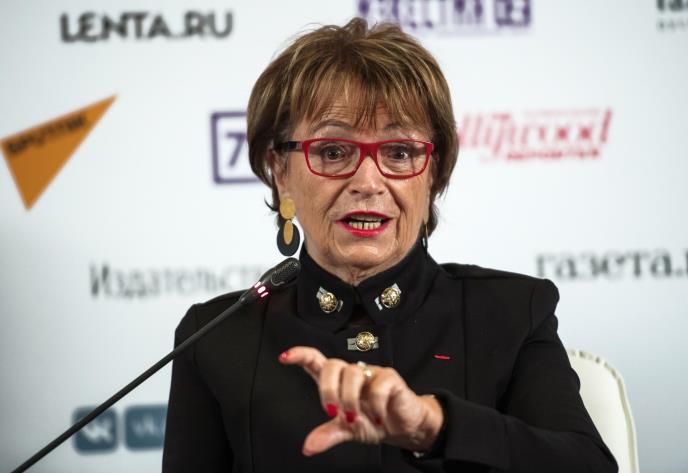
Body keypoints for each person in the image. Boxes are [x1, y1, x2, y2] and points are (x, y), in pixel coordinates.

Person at [162, 18, 617, 473]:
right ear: (280, 171)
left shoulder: (512, 313)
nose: (368, 182)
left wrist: (435, 426)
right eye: (333, 151)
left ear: (433, 173)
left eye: (399, 152)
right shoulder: (216, 339)